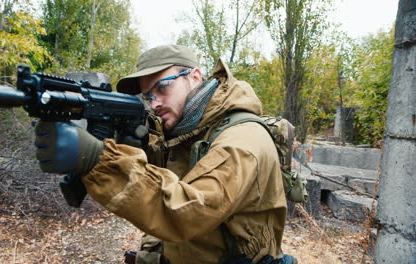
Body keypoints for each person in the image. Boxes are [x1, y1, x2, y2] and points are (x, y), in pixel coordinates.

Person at [34, 45, 296, 264]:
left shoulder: (242, 139)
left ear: (194, 77)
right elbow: (161, 184)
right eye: (148, 94)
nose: (154, 102)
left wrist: (97, 159)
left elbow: (187, 212)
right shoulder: (187, 131)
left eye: (162, 88)